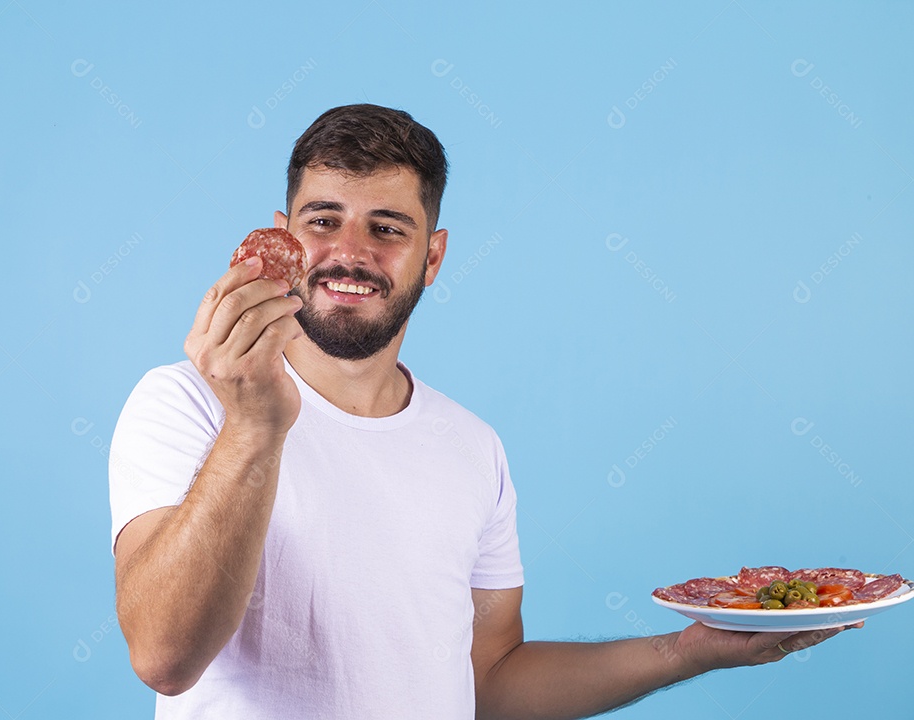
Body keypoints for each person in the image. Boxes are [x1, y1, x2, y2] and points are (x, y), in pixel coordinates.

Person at [108, 103, 852, 719]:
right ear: (285, 236)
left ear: (432, 257)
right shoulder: (184, 404)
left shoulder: (472, 446)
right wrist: (254, 427)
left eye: (387, 228)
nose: (349, 252)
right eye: (323, 220)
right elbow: (164, 658)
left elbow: (490, 680)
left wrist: (687, 651)